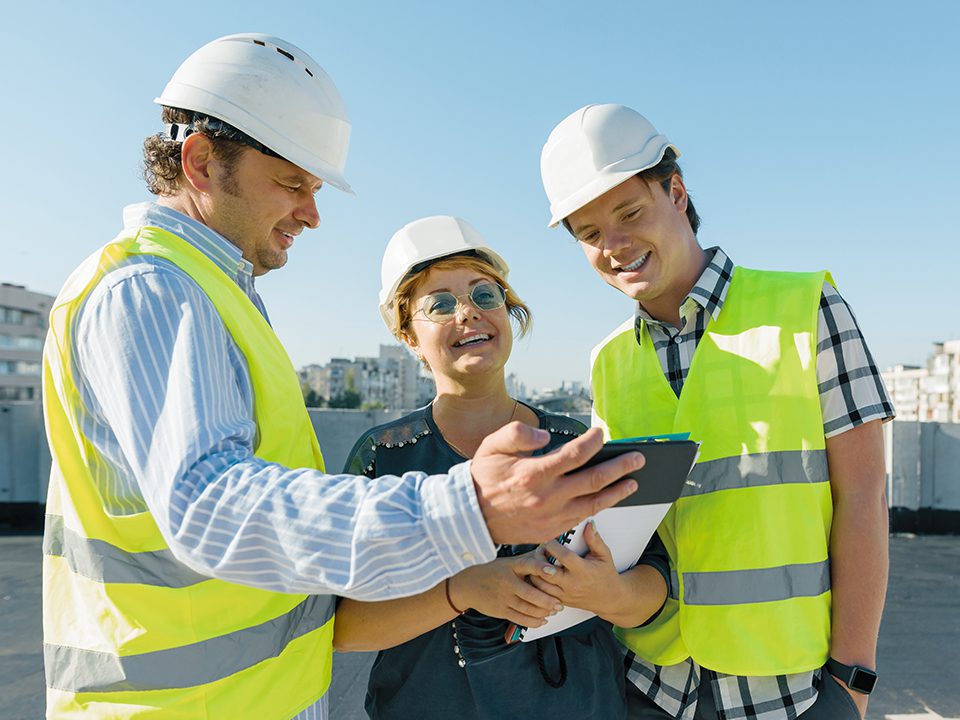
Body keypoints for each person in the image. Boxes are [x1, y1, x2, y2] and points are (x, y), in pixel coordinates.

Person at [40, 38, 643, 720]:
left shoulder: (215, 295)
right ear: (202, 161)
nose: (312, 212)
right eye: (293, 182)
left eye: (315, 188)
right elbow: (208, 505)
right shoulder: (150, 288)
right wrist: (466, 510)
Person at [536, 104, 894, 720]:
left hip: (790, 691)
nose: (614, 246)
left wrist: (851, 678)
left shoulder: (807, 307)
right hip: (653, 687)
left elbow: (863, 495)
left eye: (630, 213)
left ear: (676, 193)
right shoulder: (609, 361)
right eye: (590, 234)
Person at [333, 215, 671, 720]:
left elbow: (655, 588)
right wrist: (461, 591)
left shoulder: (575, 445)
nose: (468, 313)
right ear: (408, 335)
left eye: (484, 295)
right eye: (439, 304)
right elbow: (340, 627)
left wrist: (609, 592)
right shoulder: (384, 456)